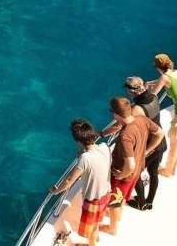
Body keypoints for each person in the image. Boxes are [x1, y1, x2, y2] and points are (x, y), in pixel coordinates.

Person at [100, 97, 163, 236]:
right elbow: (160, 133)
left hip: (124, 174)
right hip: (138, 169)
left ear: (116, 114)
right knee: (120, 198)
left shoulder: (125, 136)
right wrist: (146, 151)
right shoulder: (142, 119)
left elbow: (130, 164)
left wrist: (122, 175)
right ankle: (117, 216)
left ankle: (112, 228)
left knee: (115, 201)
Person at [50, 119, 111, 246]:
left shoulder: (84, 158)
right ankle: (96, 238)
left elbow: (68, 181)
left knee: (91, 229)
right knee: (97, 222)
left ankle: (92, 244)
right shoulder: (104, 147)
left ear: (78, 142)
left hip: (93, 200)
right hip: (106, 193)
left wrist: (55, 191)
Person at [123, 76, 166, 210]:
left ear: (132, 91)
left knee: (134, 173)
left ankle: (141, 203)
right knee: (153, 172)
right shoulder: (154, 97)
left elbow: (126, 125)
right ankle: (150, 201)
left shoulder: (136, 109)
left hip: (149, 145)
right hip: (161, 142)